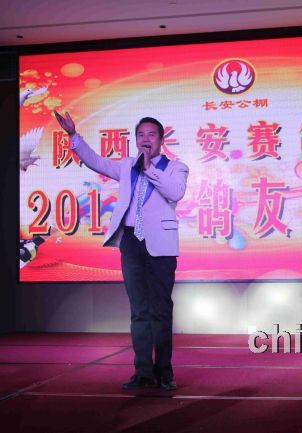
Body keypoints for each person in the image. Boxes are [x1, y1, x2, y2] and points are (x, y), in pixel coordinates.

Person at [54, 111, 189, 390]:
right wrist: (73, 135)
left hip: (161, 246)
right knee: (139, 310)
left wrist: (149, 167)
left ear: (161, 139)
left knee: (161, 310)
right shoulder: (127, 166)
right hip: (131, 243)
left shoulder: (176, 167)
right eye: (140, 135)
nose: (145, 139)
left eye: (151, 134)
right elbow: (96, 161)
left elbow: (175, 193)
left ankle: (164, 372)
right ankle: (143, 372)